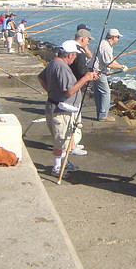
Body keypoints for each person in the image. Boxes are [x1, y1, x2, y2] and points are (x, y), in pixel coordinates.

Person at [38, 40, 99, 177]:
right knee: (61, 143)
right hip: (60, 112)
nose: (76, 58)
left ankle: (63, 163)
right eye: (75, 55)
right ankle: (57, 168)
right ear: (70, 54)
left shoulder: (53, 63)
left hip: (57, 107)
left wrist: (51, 92)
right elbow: (69, 91)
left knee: (63, 140)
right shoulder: (62, 67)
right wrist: (86, 78)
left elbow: (40, 77)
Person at [92, 28, 128, 121]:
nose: (119, 39)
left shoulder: (104, 44)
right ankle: (103, 116)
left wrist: (120, 65)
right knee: (106, 92)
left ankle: (100, 114)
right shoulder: (106, 47)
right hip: (98, 72)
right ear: (113, 37)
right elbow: (108, 63)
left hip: (94, 70)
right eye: (118, 37)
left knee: (98, 93)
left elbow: (111, 59)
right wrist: (121, 67)